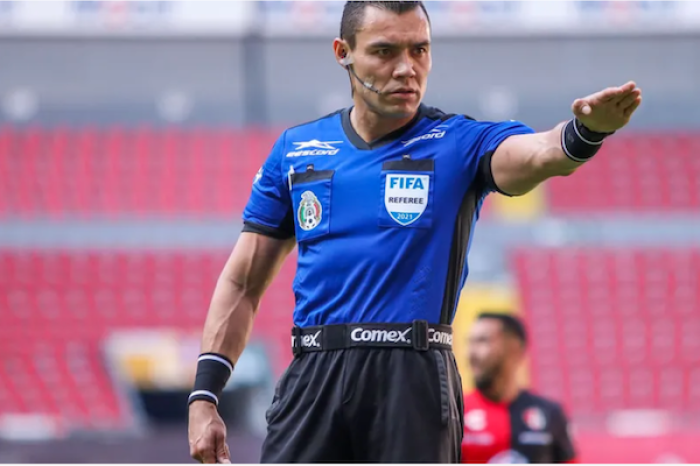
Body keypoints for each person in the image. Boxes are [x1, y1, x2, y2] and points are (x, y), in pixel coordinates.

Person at [187, 1, 641, 463]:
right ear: (343, 52)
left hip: (412, 379)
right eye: (386, 51)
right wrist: (204, 396)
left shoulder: (460, 143)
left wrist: (584, 133)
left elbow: (539, 153)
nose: (407, 68)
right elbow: (242, 283)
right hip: (314, 376)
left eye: (419, 50)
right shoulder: (296, 149)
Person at [462, 313, 578, 463]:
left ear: (514, 349)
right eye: (469, 343)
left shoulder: (551, 414)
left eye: (482, 341)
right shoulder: (456, 413)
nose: (470, 354)